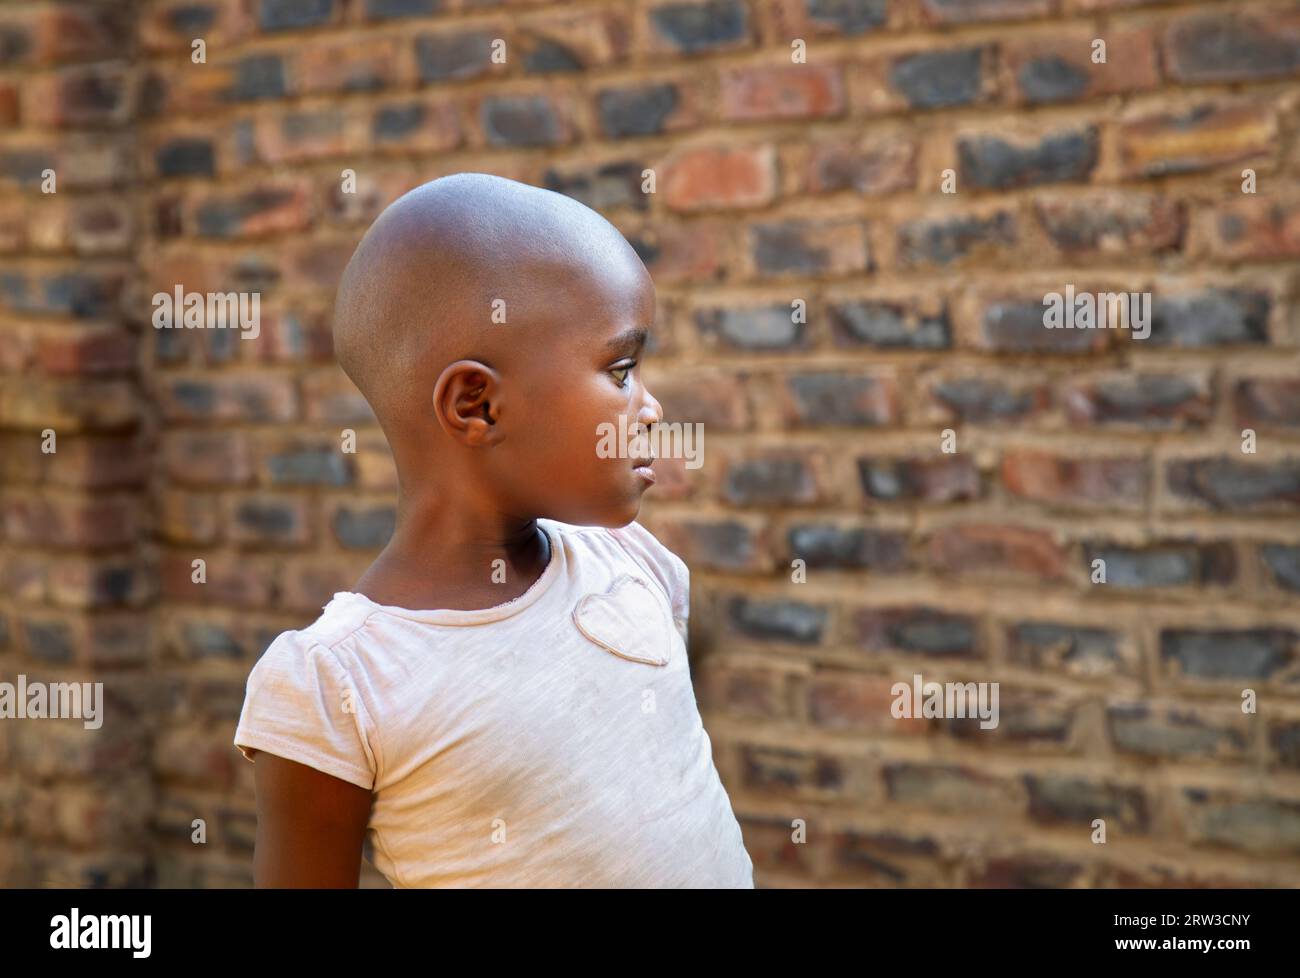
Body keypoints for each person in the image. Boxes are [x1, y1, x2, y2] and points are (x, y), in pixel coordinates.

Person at [232, 172, 754, 888]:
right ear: (477, 405)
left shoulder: (635, 563)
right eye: (622, 370)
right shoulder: (340, 686)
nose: (652, 407)